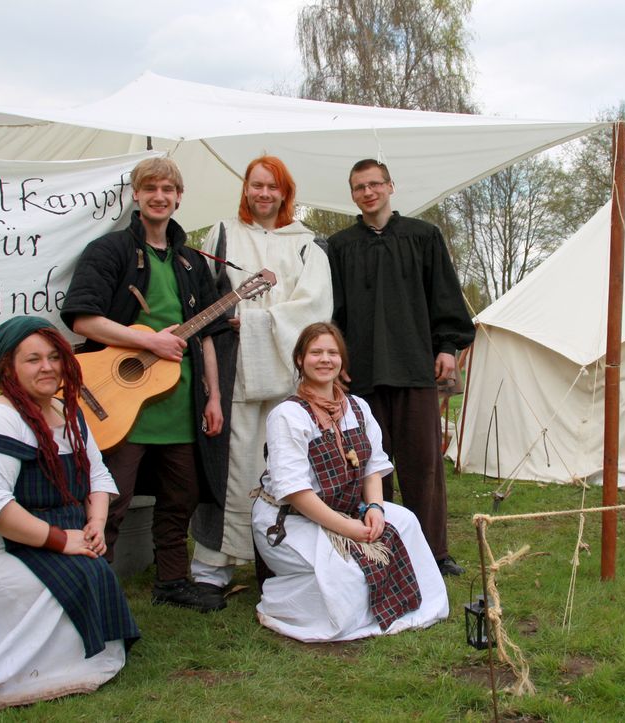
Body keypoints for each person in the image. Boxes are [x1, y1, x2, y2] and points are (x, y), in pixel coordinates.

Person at [0, 316, 140, 719]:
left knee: (92, 572)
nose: (48, 367)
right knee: (79, 574)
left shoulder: (67, 411)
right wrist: (62, 540)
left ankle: (61, 659)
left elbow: (97, 474)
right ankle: (20, 669)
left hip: (47, 535)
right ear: (8, 368)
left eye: (55, 356)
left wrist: (94, 522)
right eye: (33, 359)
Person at [62, 157, 228, 612]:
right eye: (150, 187)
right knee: (110, 500)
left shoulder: (192, 262)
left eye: (168, 188)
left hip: (180, 403)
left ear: (179, 196)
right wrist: (146, 340)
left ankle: (172, 582)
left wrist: (213, 397)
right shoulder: (109, 251)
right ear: (136, 194)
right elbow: (84, 318)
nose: (159, 196)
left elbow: (208, 337)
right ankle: (94, 583)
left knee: (181, 499)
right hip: (119, 403)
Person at [252, 322, 448, 641]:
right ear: (300, 360)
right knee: (345, 574)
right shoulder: (287, 416)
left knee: (407, 522)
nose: (325, 359)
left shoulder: (357, 408)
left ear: (342, 360)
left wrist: (374, 508)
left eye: (332, 352)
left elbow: (372, 466)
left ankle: (413, 605)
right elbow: (296, 492)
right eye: (316, 352)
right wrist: (347, 530)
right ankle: (293, 603)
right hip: (290, 521)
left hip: (347, 507)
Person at [190, 155, 332, 596]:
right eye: (256, 185)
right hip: (231, 368)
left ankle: (283, 560)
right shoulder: (223, 233)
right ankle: (213, 566)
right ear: (246, 189)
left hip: (287, 370)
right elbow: (203, 298)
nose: (264, 194)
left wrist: (256, 322)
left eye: (273, 186)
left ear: (285, 193)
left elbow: (316, 306)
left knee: (285, 464)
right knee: (228, 462)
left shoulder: (307, 243)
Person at [328, 159, 475, 576]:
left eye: (375, 184)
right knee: (371, 468)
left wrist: (447, 346)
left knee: (423, 466)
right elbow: (333, 312)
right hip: (362, 378)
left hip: (415, 370)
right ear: (352, 194)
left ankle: (433, 552)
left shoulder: (423, 237)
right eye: (359, 186)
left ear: (391, 186)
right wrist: (336, 362)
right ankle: (380, 548)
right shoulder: (339, 247)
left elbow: (444, 297)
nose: (368, 192)